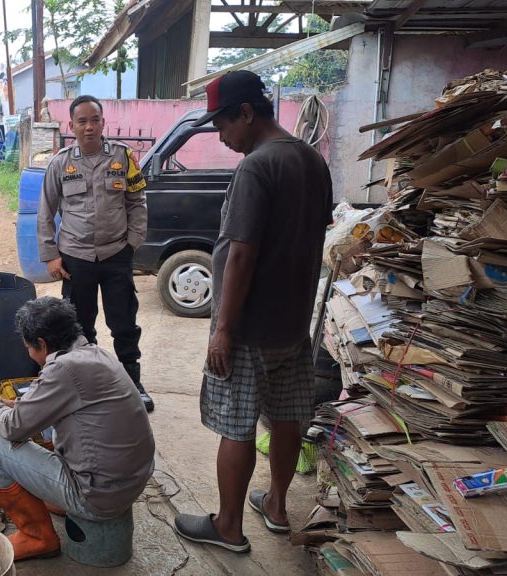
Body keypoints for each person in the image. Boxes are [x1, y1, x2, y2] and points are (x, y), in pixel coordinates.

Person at [173, 71, 333, 553]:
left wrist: (222, 328)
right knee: (287, 417)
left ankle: (228, 526)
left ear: (246, 112)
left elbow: (241, 252)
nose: (221, 137)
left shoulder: (257, 167)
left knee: (236, 425)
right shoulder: (311, 159)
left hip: (249, 327)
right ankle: (278, 506)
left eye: (222, 124)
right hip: (292, 323)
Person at [0, 296, 155, 561]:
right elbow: (43, 405)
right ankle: (58, 500)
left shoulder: (62, 369)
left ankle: (37, 537)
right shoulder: (93, 353)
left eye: (29, 347)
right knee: (46, 424)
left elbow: (14, 428)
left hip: (97, 496)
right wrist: (13, 404)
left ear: (42, 344)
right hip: (128, 483)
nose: (29, 353)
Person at [37, 95, 153, 411]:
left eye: (95, 120)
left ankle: (133, 382)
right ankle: (88, 385)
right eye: (82, 121)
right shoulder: (60, 163)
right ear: (71, 125)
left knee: (124, 323)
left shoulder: (123, 157)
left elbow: (137, 201)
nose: (89, 127)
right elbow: (45, 212)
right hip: (76, 258)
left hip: (116, 254)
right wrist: (50, 256)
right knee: (80, 327)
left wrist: (133, 242)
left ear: (103, 122)